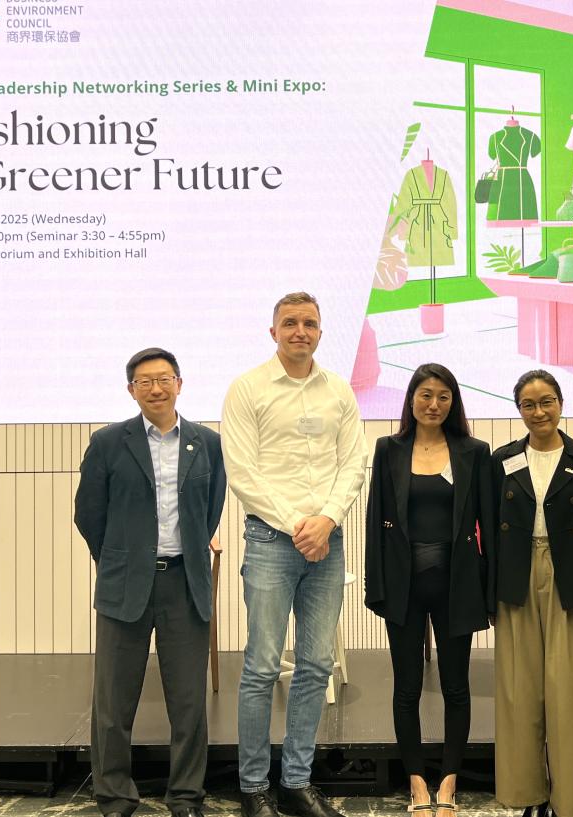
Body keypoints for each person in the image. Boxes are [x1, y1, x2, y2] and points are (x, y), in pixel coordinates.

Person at [221, 292, 367, 817]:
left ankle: (297, 782)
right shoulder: (248, 389)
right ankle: (254, 787)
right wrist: (298, 526)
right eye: (290, 323)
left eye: (309, 323)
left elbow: (354, 462)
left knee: (315, 665)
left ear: (321, 332)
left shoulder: (339, 391)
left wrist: (326, 520)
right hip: (270, 542)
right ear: (274, 332)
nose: (299, 331)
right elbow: (242, 472)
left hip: (327, 541)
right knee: (262, 666)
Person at [74, 347, 228, 817]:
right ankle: (115, 795)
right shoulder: (108, 442)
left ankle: (186, 795)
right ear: (131, 390)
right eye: (145, 382)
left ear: (179, 383)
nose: (156, 389)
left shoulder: (207, 443)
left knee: (189, 701)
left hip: (185, 583)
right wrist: (120, 559)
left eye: (164, 379)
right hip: (125, 584)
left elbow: (211, 507)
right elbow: (89, 514)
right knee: (113, 700)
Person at [363, 363, 493, 817]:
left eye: (443, 396)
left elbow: (487, 525)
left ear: (453, 402)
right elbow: (375, 522)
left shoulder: (474, 451)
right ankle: (417, 782)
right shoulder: (389, 449)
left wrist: (489, 591)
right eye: (425, 395)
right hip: (404, 586)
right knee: (407, 688)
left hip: (457, 585)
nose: (434, 404)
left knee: (457, 687)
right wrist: (376, 586)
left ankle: (449, 781)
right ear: (411, 400)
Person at [491, 370, 573, 817]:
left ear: (560, 403)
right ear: (518, 410)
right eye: (528, 404)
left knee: (567, 695)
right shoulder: (503, 459)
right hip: (516, 579)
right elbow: (491, 534)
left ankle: (566, 801)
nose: (538, 412)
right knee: (518, 692)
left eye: (546, 402)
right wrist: (490, 596)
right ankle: (528, 795)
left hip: (572, 579)